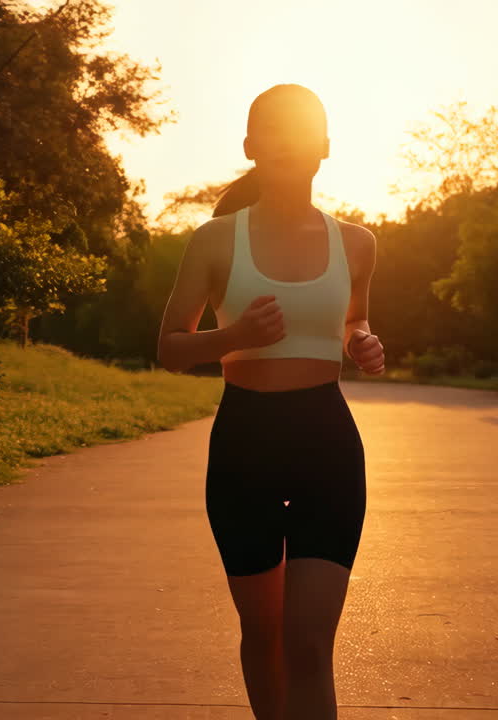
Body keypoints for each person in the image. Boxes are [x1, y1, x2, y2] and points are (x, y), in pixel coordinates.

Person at [155, 83, 385, 720]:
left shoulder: (357, 243)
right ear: (251, 146)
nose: (289, 144)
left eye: (303, 131)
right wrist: (232, 338)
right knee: (264, 635)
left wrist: (362, 343)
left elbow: (353, 322)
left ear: (326, 148)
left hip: (327, 446)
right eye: (274, 132)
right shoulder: (214, 240)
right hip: (244, 447)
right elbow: (171, 347)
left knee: (309, 645)